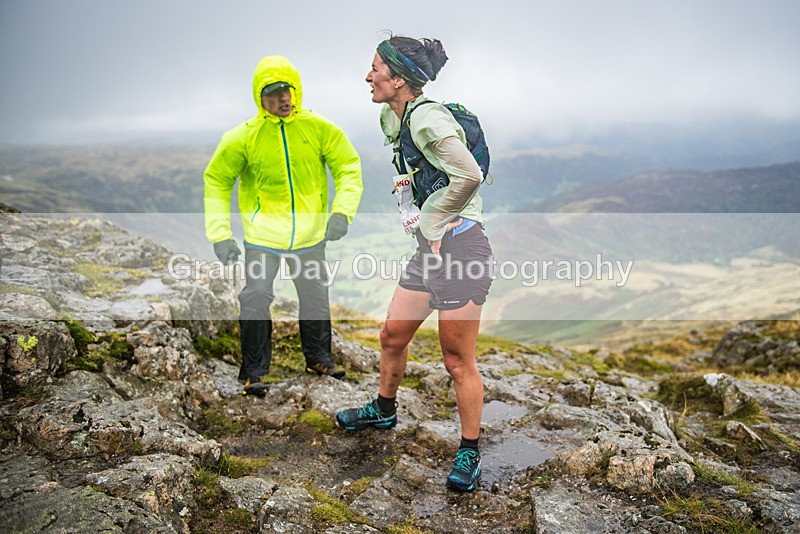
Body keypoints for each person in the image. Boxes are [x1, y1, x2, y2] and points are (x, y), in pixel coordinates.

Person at [336, 36, 492, 492]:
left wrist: (435, 218)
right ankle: (383, 412)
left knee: (456, 359)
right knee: (392, 334)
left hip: (462, 248)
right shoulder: (394, 116)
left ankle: (469, 451)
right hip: (431, 248)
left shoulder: (426, 119)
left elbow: (470, 175)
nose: (368, 77)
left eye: (375, 69)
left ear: (398, 78)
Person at [204, 55, 363, 395]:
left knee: (316, 296)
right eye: (273, 93)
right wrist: (220, 234)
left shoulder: (319, 128)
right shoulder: (243, 137)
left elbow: (348, 167)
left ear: (297, 90)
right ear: (259, 98)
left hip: (310, 236)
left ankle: (319, 358)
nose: (283, 99)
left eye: (287, 91)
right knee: (257, 296)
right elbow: (217, 181)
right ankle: (253, 372)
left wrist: (341, 212)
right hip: (263, 237)